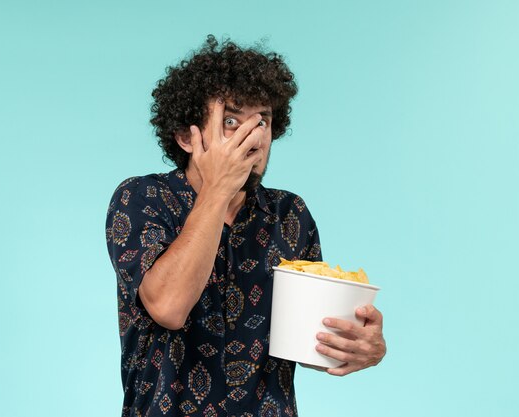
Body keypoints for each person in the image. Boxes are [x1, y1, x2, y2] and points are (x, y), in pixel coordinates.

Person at [106, 35, 386, 417]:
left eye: (262, 122)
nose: (252, 139)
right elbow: (168, 306)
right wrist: (218, 188)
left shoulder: (290, 215)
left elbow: (308, 341)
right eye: (232, 122)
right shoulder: (141, 199)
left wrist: (359, 345)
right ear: (187, 136)